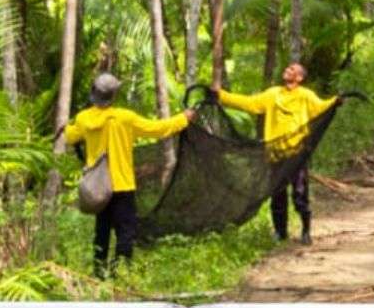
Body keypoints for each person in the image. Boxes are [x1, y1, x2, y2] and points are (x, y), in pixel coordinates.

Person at [63, 72, 190, 273]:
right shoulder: (125, 118)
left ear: (94, 94)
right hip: (122, 184)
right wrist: (184, 118)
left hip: (99, 187)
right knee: (126, 231)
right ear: (113, 96)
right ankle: (120, 271)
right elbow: (158, 129)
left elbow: (69, 137)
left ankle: (99, 271)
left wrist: (68, 127)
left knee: (101, 230)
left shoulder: (83, 119)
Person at [217, 60, 339, 242]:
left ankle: (306, 231)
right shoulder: (273, 94)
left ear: (299, 78)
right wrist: (221, 95)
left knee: (300, 193)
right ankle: (280, 232)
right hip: (275, 154)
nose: (287, 70)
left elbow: (321, 107)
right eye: (287, 68)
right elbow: (250, 103)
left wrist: (336, 101)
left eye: (292, 69)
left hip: (296, 154)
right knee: (277, 194)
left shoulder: (305, 96)